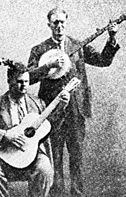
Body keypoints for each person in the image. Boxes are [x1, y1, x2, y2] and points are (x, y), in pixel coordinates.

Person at [27, 7, 120, 197]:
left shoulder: (78, 45)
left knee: (76, 157)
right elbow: (28, 77)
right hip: (52, 112)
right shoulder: (39, 50)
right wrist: (49, 66)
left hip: (76, 112)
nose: (59, 27)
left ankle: (77, 194)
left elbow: (103, 60)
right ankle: (57, 194)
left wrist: (111, 38)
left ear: (66, 23)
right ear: (49, 25)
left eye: (62, 22)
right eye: (55, 23)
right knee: (56, 157)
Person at [0, 62, 70, 197]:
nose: (24, 85)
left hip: (32, 156)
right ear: (9, 81)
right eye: (19, 81)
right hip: (3, 156)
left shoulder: (37, 103)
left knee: (45, 169)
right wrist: (5, 134)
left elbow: (50, 127)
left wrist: (62, 106)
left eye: (26, 81)